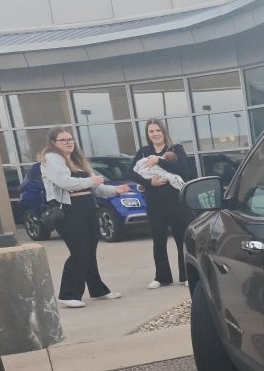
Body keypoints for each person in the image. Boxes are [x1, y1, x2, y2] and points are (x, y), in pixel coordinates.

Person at [39, 127, 130, 308]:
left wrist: (115, 190)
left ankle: (98, 290)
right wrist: (91, 181)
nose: (68, 142)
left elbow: (96, 186)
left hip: (87, 208)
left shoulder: (77, 160)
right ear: (53, 143)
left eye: (70, 138)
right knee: (79, 251)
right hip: (68, 211)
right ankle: (68, 293)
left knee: (90, 251)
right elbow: (66, 183)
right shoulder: (50, 160)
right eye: (63, 140)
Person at [132, 118, 191, 288]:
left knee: (182, 238)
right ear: (147, 134)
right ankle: (162, 277)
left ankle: (186, 275)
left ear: (163, 131)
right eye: (151, 131)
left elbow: (183, 171)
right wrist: (150, 183)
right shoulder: (144, 152)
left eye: (157, 130)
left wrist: (159, 161)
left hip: (177, 202)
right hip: (154, 202)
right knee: (158, 240)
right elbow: (131, 173)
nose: (155, 134)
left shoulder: (176, 149)